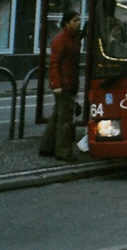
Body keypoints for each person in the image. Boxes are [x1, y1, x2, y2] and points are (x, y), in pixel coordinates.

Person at [39, 10, 81, 162]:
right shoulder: (61, 39)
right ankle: (63, 151)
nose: (78, 23)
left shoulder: (73, 37)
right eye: (75, 20)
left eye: (79, 20)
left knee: (58, 115)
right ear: (67, 22)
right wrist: (56, 84)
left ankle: (46, 146)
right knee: (65, 119)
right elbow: (54, 64)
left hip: (69, 82)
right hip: (63, 84)